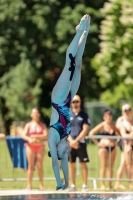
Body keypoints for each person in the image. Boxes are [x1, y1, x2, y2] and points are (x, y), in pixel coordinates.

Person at [48, 14, 91, 190]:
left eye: (62, 153)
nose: (66, 152)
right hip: (68, 99)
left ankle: (78, 30)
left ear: (55, 150)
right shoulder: (64, 141)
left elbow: (55, 164)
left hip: (58, 99)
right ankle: (85, 34)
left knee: (70, 65)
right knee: (78, 65)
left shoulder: (53, 139)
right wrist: (67, 182)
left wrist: (59, 182)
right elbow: (64, 162)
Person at [89, 109, 120, 190]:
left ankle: (110, 184)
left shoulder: (113, 126)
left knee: (111, 167)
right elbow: (91, 133)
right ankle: (102, 184)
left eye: (110, 116)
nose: (108, 117)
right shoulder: (102, 125)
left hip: (113, 148)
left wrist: (118, 144)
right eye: (107, 116)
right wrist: (98, 143)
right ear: (104, 117)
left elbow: (120, 135)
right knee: (103, 166)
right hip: (103, 148)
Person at [21, 108, 48, 190]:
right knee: (30, 166)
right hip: (30, 147)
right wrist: (30, 139)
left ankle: (41, 184)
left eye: (37, 113)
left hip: (40, 147)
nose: (35, 114)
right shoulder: (28, 125)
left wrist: (35, 136)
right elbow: (23, 135)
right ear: (31, 115)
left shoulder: (42, 125)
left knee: (40, 166)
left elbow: (45, 135)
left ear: (39, 114)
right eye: (34, 113)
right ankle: (29, 185)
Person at [68, 95, 90, 192]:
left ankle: (84, 185)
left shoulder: (84, 115)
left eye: (77, 101)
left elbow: (85, 130)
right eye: (73, 102)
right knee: (71, 164)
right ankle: (72, 185)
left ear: (80, 102)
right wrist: (71, 141)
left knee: (83, 164)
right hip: (70, 143)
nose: (75, 103)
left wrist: (76, 141)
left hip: (80, 143)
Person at [118, 104, 133, 189]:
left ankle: (129, 182)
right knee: (126, 164)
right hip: (126, 146)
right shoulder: (121, 122)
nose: (127, 113)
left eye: (128, 111)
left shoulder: (131, 121)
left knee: (130, 165)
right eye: (125, 111)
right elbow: (123, 135)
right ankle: (125, 182)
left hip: (130, 145)